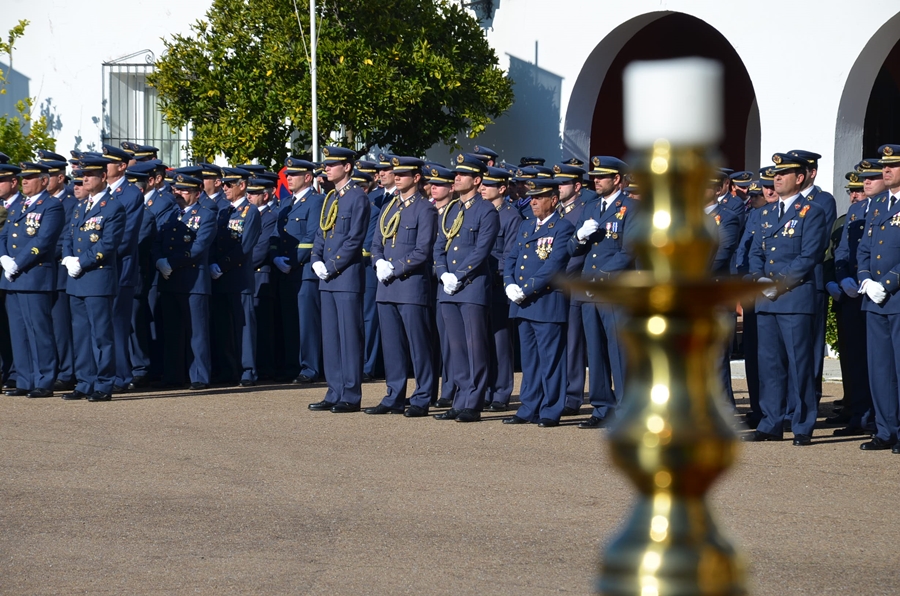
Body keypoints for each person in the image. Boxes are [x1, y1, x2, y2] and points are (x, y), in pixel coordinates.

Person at [744, 153, 827, 446]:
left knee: (799, 364)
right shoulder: (766, 213)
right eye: (775, 175)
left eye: (784, 174)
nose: (776, 179)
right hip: (767, 299)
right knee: (769, 365)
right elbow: (755, 251)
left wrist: (777, 284)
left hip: (794, 297)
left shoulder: (812, 211)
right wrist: (758, 278)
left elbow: (809, 256)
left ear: (800, 178)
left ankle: (802, 424)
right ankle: (771, 421)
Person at [569, 156, 638, 428]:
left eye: (602, 177)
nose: (595, 181)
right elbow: (572, 249)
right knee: (594, 351)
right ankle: (601, 407)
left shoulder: (632, 208)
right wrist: (580, 237)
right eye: (594, 177)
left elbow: (629, 251)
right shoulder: (589, 207)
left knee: (618, 351)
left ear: (617, 179)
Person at [365, 156, 437, 417]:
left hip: (410, 286)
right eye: (396, 174)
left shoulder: (425, 209)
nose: (397, 178)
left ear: (416, 178)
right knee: (392, 346)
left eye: (403, 174)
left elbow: (423, 250)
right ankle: (394, 396)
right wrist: (379, 262)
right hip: (386, 287)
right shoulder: (389, 207)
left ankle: (422, 396)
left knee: (419, 345)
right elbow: (375, 244)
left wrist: (395, 267)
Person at [502, 178, 574, 427]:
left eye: (539, 198)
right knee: (530, 360)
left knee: (551, 360)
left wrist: (526, 288)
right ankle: (528, 406)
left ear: (553, 200)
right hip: (523, 304)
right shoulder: (525, 226)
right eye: (531, 197)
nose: (532, 202)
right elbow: (511, 258)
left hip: (546, 302)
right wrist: (509, 283)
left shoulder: (562, 227)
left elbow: (553, 266)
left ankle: (551, 409)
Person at [433, 154, 500, 423]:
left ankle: (474, 402)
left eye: (462, 174)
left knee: (474, 347)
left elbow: (481, 250)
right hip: (448, 287)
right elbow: (438, 247)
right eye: (456, 175)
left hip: (471, 286)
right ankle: (460, 398)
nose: (456, 178)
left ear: (477, 180)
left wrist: (458, 275)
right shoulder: (451, 210)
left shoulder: (486, 211)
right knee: (456, 347)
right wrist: (443, 274)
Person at [308, 146, 371, 413]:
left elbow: (355, 238)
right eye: (326, 165)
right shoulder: (330, 198)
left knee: (348, 337)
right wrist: (316, 260)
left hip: (345, 276)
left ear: (347, 167)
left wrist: (331, 266)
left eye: (332, 165)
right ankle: (334, 390)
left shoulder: (358, 198)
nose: (326, 169)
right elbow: (322, 233)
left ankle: (350, 393)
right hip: (328, 278)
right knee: (331, 338)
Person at [60, 157, 126, 402]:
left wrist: (82, 262)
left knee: (101, 335)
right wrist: (67, 258)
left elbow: (109, 243)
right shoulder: (81, 206)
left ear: (103, 177)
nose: (84, 178)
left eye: (89, 175)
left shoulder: (113, 207)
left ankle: (104, 383)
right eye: (82, 175)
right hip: (77, 279)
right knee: (81, 335)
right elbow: (69, 235)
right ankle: (85, 382)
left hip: (97, 278)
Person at [0, 162, 65, 398]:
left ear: (44, 181)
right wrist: (4, 257)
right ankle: (25, 379)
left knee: (39, 331)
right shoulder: (18, 207)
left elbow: (44, 240)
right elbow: (4, 234)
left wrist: (18, 262)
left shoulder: (51, 206)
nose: (25, 181)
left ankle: (44, 380)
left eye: (30, 177)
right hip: (12, 277)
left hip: (33, 274)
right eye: (23, 178)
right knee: (18, 331)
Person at [154, 173, 217, 390]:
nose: (179, 194)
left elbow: (198, 248)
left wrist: (171, 262)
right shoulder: (170, 215)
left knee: (196, 332)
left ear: (197, 194)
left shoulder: (206, 215)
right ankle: (173, 375)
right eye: (176, 190)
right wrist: (159, 261)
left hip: (192, 281)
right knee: (172, 331)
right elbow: (157, 241)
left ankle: (199, 376)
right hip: (169, 279)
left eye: (185, 191)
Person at [829, 164, 879, 437]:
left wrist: (868, 278)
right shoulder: (856, 212)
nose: (859, 192)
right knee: (855, 359)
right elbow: (843, 251)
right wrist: (841, 277)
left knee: (878, 360)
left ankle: (880, 418)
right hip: (851, 294)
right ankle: (859, 415)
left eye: (867, 182)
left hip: (877, 292)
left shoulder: (887, 209)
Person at [856, 143, 900, 452]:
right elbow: (864, 249)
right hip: (874, 299)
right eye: (884, 165)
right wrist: (866, 280)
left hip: (896, 297)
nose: (885, 170)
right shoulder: (877, 204)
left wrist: (888, 283)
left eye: (893, 165)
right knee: (880, 369)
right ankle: (886, 430)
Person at [270, 157, 324, 384]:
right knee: (290, 321)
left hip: (303, 271)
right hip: (285, 270)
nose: (288, 178)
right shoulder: (286, 204)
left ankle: (310, 368)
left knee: (306, 323)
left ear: (308, 177)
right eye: (287, 175)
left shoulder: (316, 201)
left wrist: (291, 260)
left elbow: (311, 237)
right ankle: (292, 365)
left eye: (293, 175)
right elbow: (275, 236)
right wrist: (275, 257)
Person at [210, 167, 261, 386]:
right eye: (224, 184)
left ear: (242, 185)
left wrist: (221, 265)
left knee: (244, 326)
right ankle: (229, 369)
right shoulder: (223, 211)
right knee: (224, 327)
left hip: (238, 277)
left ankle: (248, 370)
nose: (225, 188)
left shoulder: (251, 212)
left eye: (230, 184)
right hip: (219, 278)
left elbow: (245, 246)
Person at [129, 160, 177, 387]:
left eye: (137, 183)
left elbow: (156, 236)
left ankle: (149, 369)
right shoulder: (128, 203)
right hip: (133, 269)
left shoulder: (163, 202)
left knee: (150, 321)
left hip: (151, 269)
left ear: (152, 180)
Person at [101, 144, 145, 394]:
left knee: (118, 324)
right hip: (101, 267)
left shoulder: (130, 194)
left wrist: (96, 255)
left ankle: (121, 376)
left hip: (120, 267)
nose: (103, 168)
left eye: (108, 163)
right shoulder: (102, 192)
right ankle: (105, 373)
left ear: (121, 166)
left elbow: (126, 237)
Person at [554, 162, 596, 416]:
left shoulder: (584, 210)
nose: (559, 187)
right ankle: (558, 392)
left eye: (564, 183)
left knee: (573, 342)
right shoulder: (558, 209)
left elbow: (579, 254)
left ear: (577, 186)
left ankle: (572, 395)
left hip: (571, 281)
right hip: (552, 283)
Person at [481, 166, 521, 411]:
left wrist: (501, 276)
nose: (483, 188)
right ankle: (486, 389)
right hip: (478, 283)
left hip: (497, 283)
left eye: (489, 185)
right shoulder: (482, 212)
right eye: (482, 184)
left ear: (502, 188)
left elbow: (509, 253)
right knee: (482, 339)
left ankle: (501, 392)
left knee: (500, 340)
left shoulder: (510, 216)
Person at [37, 150, 78, 391]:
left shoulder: (71, 203)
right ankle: (48, 370)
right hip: (40, 273)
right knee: (45, 327)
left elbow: (64, 240)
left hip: (60, 271)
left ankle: (66, 371)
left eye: (49, 175)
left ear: (61, 177)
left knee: (62, 327)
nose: (45, 180)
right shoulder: (38, 203)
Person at [425, 164, 458, 407]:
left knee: (449, 340)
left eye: (440, 184)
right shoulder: (428, 211)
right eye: (432, 184)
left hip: (445, 280)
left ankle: (450, 389)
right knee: (429, 340)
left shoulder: (455, 212)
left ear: (451, 188)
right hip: (422, 280)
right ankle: (427, 390)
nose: (434, 188)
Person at [247, 176, 279, 381]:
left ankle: (267, 368)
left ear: (265, 196)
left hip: (259, 274)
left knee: (264, 326)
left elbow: (261, 249)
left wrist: (238, 265)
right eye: (248, 192)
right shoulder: (245, 213)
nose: (249, 196)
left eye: (254, 193)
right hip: (245, 275)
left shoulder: (270, 216)